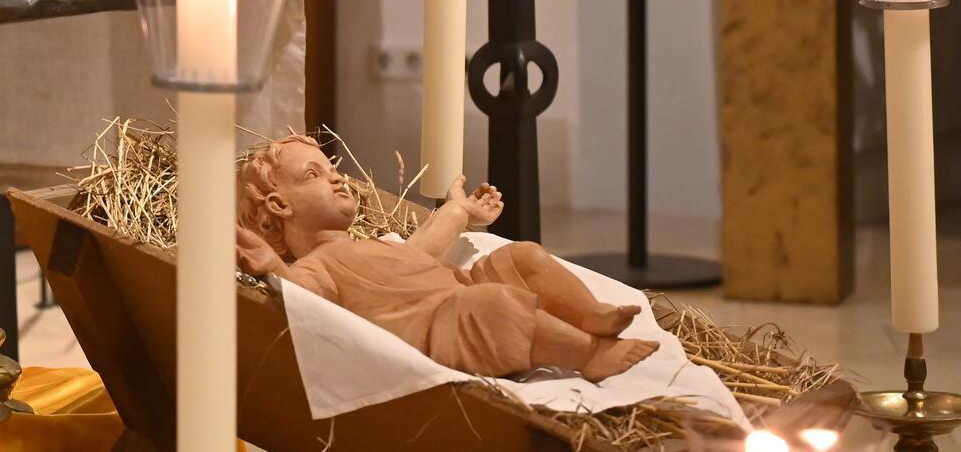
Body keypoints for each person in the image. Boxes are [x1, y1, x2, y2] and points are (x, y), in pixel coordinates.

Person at [235, 136, 657, 381]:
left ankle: (589, 314)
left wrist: (461, 210)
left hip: (463, 291)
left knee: (522, 255)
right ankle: (588, 353)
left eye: (331, 168)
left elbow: (425, 247)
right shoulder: (318, 266)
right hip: (437, 328)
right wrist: (271, 265)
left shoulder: (377, 244)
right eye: (313, 175)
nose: (337, 178)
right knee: (495, 304)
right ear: (279, 206)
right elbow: (303, 299)